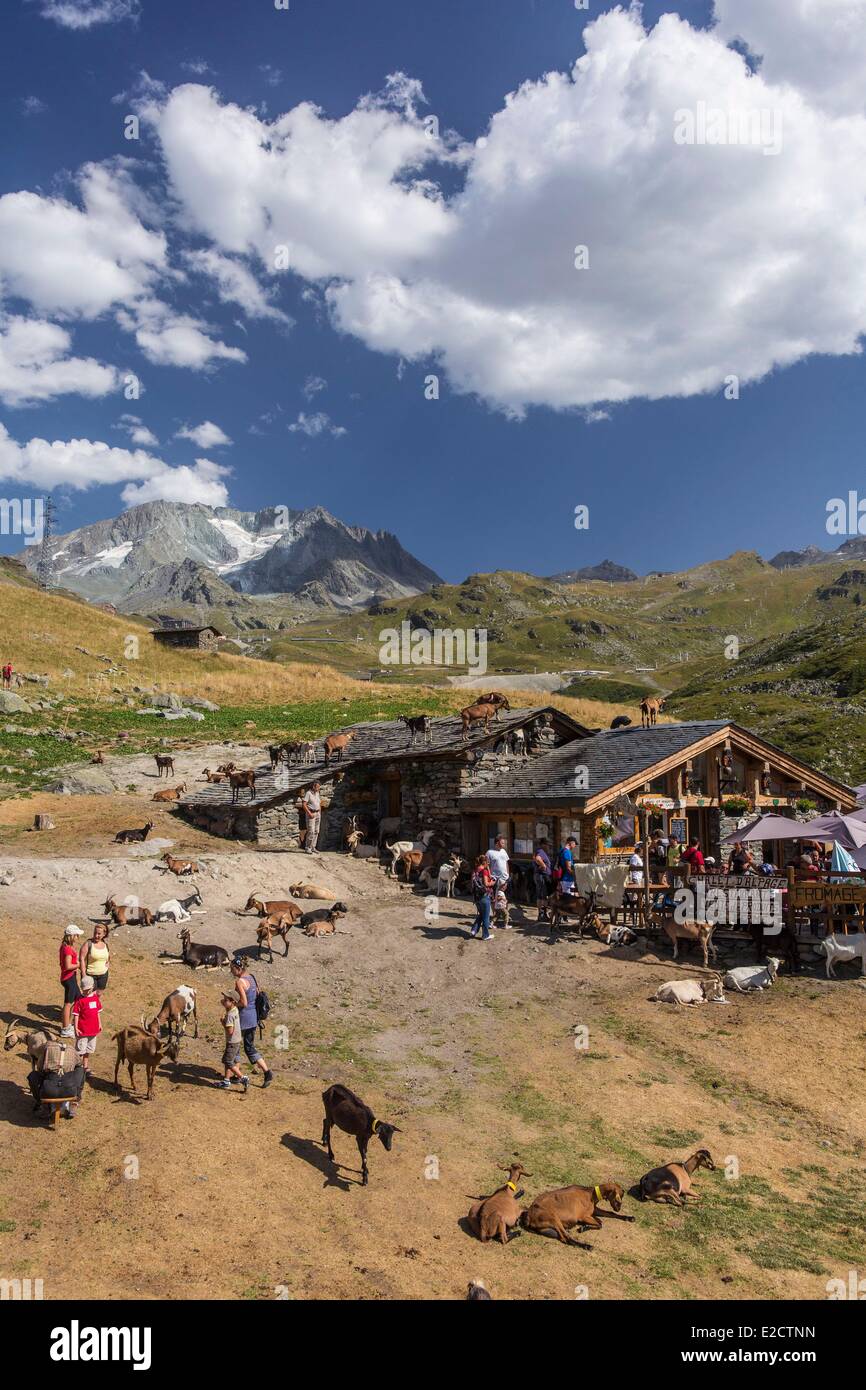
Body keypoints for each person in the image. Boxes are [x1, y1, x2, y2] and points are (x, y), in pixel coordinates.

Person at [230, 957, 273, 1087]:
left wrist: (232, 1005)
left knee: (235, 1045)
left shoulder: (240, 982)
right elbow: (256, 995)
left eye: (232, 969)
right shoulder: (252, 977)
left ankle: (237, 1075)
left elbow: (244, 1002)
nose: (231, 971)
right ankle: (266, 1072)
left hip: (243, 1018)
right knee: (249, 1047)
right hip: (253, 1018)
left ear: (238, 968)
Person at [218, 992, 249, 1092]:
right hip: (237, 1039)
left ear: (233, 1002)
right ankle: (226, 1081)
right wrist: (225, 1005)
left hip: (232, 1042)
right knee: (234, 1059)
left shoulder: (230, 1015)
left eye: (226, 1000)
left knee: (228, 1061)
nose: (223, 1001)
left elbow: (230, 1031)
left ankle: (242, 1077)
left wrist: (223, 1022)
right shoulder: (234, 1009)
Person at [71, 975, 102, 1077]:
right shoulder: (80, 1000)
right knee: (80, 1050)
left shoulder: (95, 999)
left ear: (92, 987)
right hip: (82, 1031)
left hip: (93, 1030)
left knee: (88, 1050)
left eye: (87, 989)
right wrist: (76, 1027)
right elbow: (76, 1015)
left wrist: (100, 1024)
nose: (85, 991)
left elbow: (97, 1012)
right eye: (84, 990)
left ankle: (85, 1067)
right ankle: (75, 1067)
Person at [59, 925, 84, 1036]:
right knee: (68, 1004)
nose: (78, 937)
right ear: (72, 936)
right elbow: (68, 966)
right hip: (69, 978)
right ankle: (65, 1028)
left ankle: (71, 1023)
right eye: (76, 935)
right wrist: (78, 964)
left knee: (78, 999)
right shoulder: (68, 949)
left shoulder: (65, 946)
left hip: (70, 978)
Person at [80, 923, 110, 993]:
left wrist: (108, 963)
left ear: (104, 934)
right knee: (90, 995)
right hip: (90, 975)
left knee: (99, 994)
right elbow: (81, 959)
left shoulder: (105, 944)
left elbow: (107, 955)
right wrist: (84, 975)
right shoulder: (88, 944)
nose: (96, 935)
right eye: (95, 933)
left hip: (103, 974)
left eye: (99, 934)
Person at [470, 854, 494, 941]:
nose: (489, 864)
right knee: (486, 916)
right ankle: (485, 935)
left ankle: (474, 930)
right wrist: (493, 883)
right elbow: (486, 883)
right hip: (484, 896)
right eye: (488, 862)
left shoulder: (475, 870)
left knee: (481, 914)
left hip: (476, 897)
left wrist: (488, 870)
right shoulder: (483, 871)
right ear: (485, 862)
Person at [532, 838, 553, 922]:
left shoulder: (540, 851)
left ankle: (543, 914)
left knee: (542, 896)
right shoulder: (540, 851)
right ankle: (542, 915)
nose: (548, 847)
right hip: (541, 876)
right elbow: (537, 858)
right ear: (543, 844)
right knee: (542, 896)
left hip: (541, 876)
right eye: (547, 845)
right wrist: (543, 866)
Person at [486, 836, 510, 904]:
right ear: (497, 843)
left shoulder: (504, 851)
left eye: (504, 843)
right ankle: (495, 913)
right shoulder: (489, 852)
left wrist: (508, 874)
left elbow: (506, 863)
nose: (504, 845)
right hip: (494, 878)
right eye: (502, 843)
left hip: (504, 878)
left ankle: (502, 912)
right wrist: (489, 875)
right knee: (493, 897)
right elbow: (487, 865)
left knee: (503, 897)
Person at [303, 781, 322, 854]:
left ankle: (313, 847)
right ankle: (308, 848)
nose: (318, 788)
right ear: (313, 786)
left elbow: (319, 803)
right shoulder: (308, 793)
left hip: (317, 814)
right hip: (311, 813)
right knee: (311, 831)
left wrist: (319, 812)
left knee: (317, 831)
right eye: (317, 787)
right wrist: (309, 813)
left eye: (319, 787)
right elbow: (304, 804)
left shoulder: (317, 793)